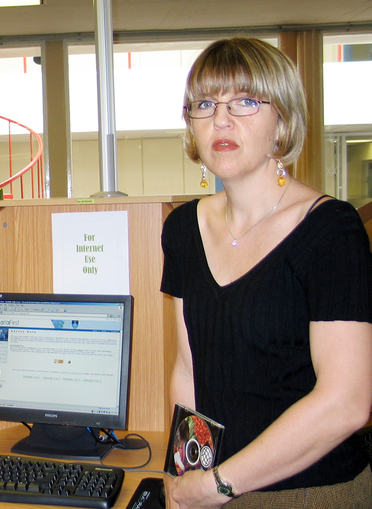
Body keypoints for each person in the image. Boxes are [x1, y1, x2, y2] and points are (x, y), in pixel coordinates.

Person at [161, 37, 372, 508]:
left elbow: (347, 402)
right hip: (211, 485)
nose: (221, 118)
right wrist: (186, 477)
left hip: (310, 490)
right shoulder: (182, 229)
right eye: (205, 103)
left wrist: (217, 485)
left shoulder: (331, 231)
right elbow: (189, 367)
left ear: (282, 121)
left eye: (245, 101)